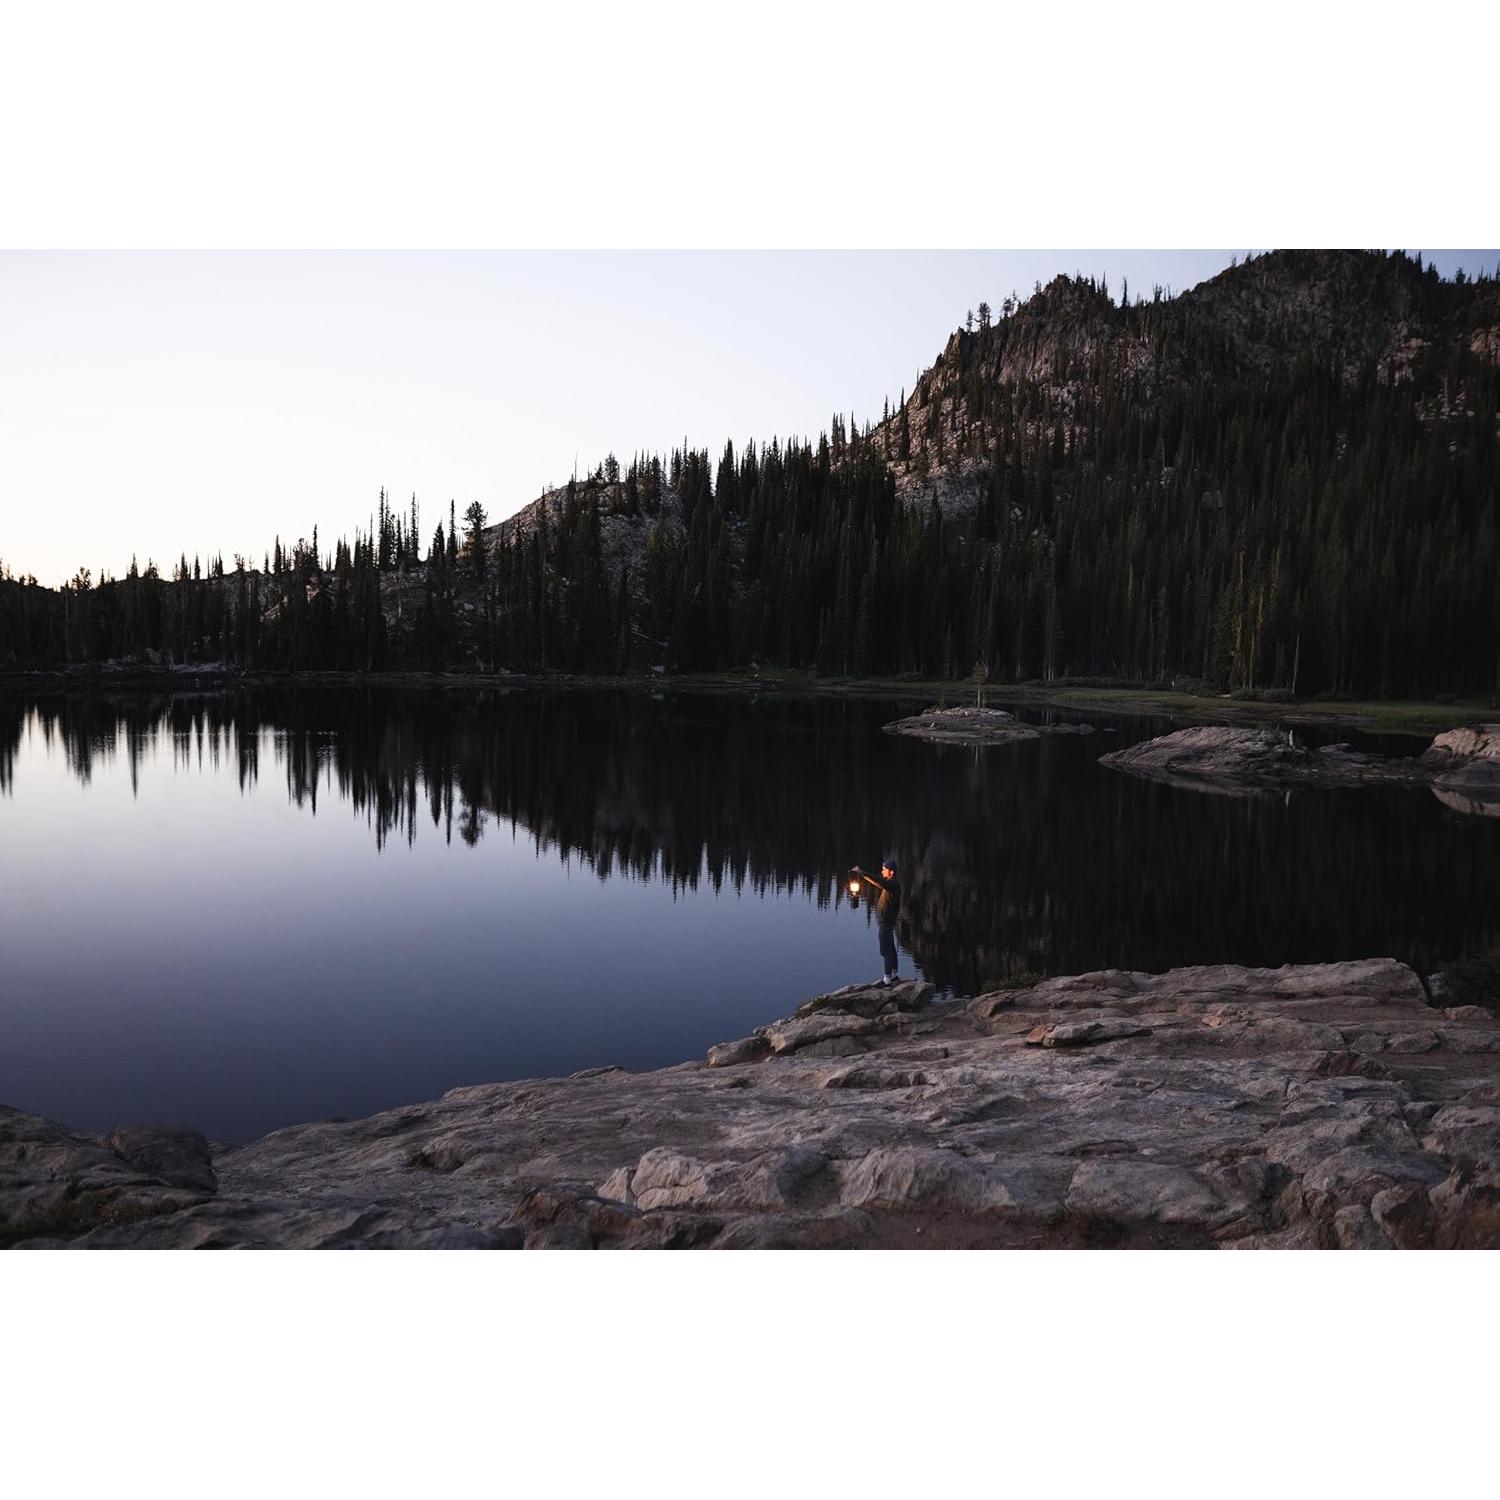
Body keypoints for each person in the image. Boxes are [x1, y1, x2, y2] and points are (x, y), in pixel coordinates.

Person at [850, 858, 903, 985]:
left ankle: (887, 980)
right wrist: (863, 876)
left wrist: (862, 872)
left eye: (884, 869)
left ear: (891, 872)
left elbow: (878, 881)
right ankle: (894, 975)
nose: (882, 871)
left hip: (886, 922)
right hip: (887, 921)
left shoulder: (893, 885)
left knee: (885, 950)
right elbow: (879, 882)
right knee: (890, 948)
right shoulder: (890, 884)